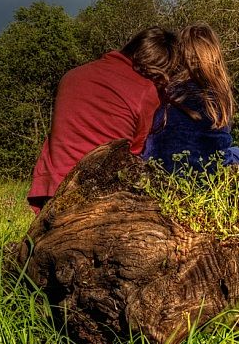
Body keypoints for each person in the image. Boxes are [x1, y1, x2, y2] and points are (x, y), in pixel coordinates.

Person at [27, 27, 177, 213]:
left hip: (52, 187)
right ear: (161, 68)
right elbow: (139, 149)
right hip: (102, 194)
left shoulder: (70, 76)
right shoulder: (147, 92)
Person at [143, 23, 239, 176]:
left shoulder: (164, 90)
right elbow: (218, 147)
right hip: (203, 173)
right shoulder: (215, 97)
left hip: (158, 170)